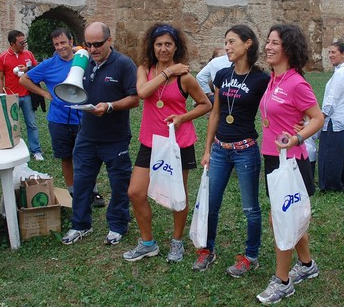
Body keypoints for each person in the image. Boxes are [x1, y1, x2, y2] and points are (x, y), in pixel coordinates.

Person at [123, 23, 211, 261]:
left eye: (168, 44)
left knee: (177, 195)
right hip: (151, 142)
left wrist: (183, 117)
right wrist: (166, 73)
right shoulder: (145, 69)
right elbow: (142, 93)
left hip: (177, 144)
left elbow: (206, 104)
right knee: (135, 192)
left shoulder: (185, 77)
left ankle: (177, 241)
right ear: (152, 47)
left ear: (176, 47)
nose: (163, 49)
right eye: (159, 44)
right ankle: (148, 242)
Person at [192, 25, 269, 275]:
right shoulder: (222, 75)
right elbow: (215, 113)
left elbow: (276, 105)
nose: (227, 47)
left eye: (231, 41)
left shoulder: (261, 79)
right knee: (211, 203)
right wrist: (206, 149)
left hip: (245, 150)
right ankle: (207, 250)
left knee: (250, 208)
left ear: (248, 44)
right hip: (219, 150)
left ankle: (251, 255)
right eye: (225, 42)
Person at [257, 24, 324, 305]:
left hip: (291, 161)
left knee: (281, 220)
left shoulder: (296, 82)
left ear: (289, 48)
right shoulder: (274, 79)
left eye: (275, 43)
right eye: (268, 42)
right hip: (272, 157)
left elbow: (318, 118)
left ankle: (283, 281)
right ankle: (307, 265)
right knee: (288, 218)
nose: (268, 47)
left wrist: (297, 137)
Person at [61, 22, 139, 245]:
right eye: (89, 44)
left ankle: (117, 225)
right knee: (82, 182)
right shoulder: (83, 62)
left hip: (115, 137)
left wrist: (110, 106)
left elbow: (135, 98)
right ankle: (80, 225)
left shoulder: (124, 64)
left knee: (119, 184)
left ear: (109, 41)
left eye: (98, 44)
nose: (93, 49)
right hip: (87, 135)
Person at [19, 28, 105, 207]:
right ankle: (73, 192)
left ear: (71, 42)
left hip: (84, 117)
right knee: (66, 157)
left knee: (88, 156)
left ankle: (93, 191)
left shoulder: (85, 60)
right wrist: (44, 93)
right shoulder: (48, 64)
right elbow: (24, 79)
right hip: (58, 119)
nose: (60, 47)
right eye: (56, 44)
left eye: (63, 43)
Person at [0, 30, 44, 161]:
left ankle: (36, 150)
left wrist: (27, 70)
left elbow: (37, 70)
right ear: (12, 43)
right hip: (12, 96)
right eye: (21, 42)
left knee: (32, 124)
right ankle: (13, 150)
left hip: (27, 94)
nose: (24, 44)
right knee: (12, 125)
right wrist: (2, 95)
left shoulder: (28, 54)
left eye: (25, 41)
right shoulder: (3, 57)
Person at [318, 41, 344, 191]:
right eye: (329, 52)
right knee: (343, 154)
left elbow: (331, 101)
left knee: (330, 154)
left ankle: (331, 185)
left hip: (336, 121)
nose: (330, 55)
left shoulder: (341, 73)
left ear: (343, 53)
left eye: (333, 52)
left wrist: (320, 118)